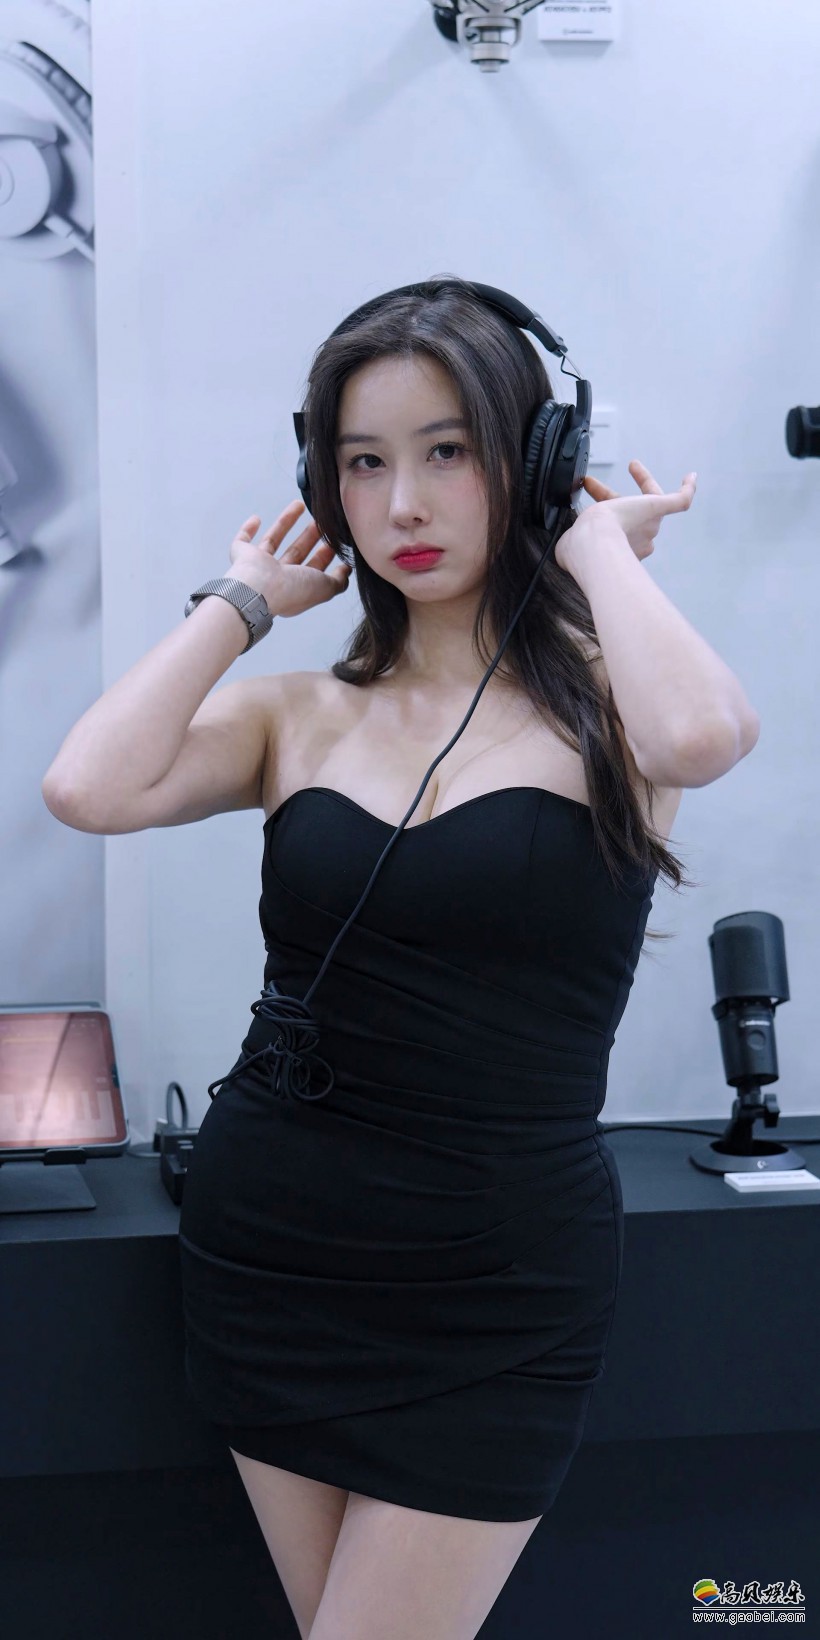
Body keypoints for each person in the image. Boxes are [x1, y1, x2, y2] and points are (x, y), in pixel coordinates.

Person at [42, 276, 748, 1640]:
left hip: (496, 1287)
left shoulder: (617, 710)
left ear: (536, 457)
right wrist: (241, 601)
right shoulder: (299, 714)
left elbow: (705, 737)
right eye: (363, 463)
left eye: (449, 452)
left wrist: (595, 552)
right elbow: (88, 787)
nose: (403, 505)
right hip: (274, 1254)